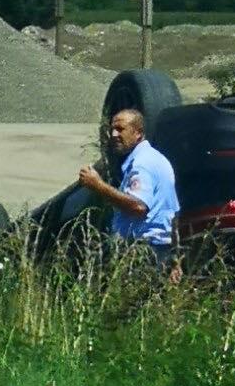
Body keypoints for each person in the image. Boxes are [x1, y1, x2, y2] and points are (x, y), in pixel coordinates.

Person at [77, 106, 179, 270]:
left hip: (142, 252)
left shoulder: (141, 164)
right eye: (112, 130)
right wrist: (175, 258)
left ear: (138, 133)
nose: (114, 135)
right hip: (159, 249)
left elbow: (138, 206)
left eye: (120, 129)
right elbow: (173, 213)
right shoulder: (155, 158)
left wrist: (98, 185)